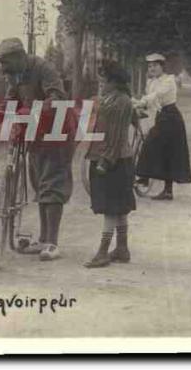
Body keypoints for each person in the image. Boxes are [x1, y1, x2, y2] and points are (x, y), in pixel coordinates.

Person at [0, 37, 75, 262]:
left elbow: (57, 98)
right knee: (39, 183)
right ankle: (42, 238)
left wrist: (32, 111)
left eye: (5, 64)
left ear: (19, 57)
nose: (3, 70)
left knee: (52, 184)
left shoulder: (44, 69)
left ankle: (52, 243)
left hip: (57, 133)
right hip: (36, 134)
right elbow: (10, 101)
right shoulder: (16, 74)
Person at [83, 61, 137, 268]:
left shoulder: (119, 102)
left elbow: (114, 137)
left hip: (113, 160)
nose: (100, 84)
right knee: (119, 208)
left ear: (114, 82)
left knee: (111, 209)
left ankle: (103, 252)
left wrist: (105, 161)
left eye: (103, 81)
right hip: (115, 158)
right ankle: (122, 248)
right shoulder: (114, 100)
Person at [133, 53, 191, 200]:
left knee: (150, 143)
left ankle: (144, 177)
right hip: (161, 116)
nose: (151, 68)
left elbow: (157, 96)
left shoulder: (169, 80)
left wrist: (141, 102)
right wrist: (141, 107)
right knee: (166, 153)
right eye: (150, 66)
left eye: (155, 65)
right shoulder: (150, 82)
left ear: (161, 66)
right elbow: (152, 102)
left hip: (171, 117)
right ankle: (167, 191)